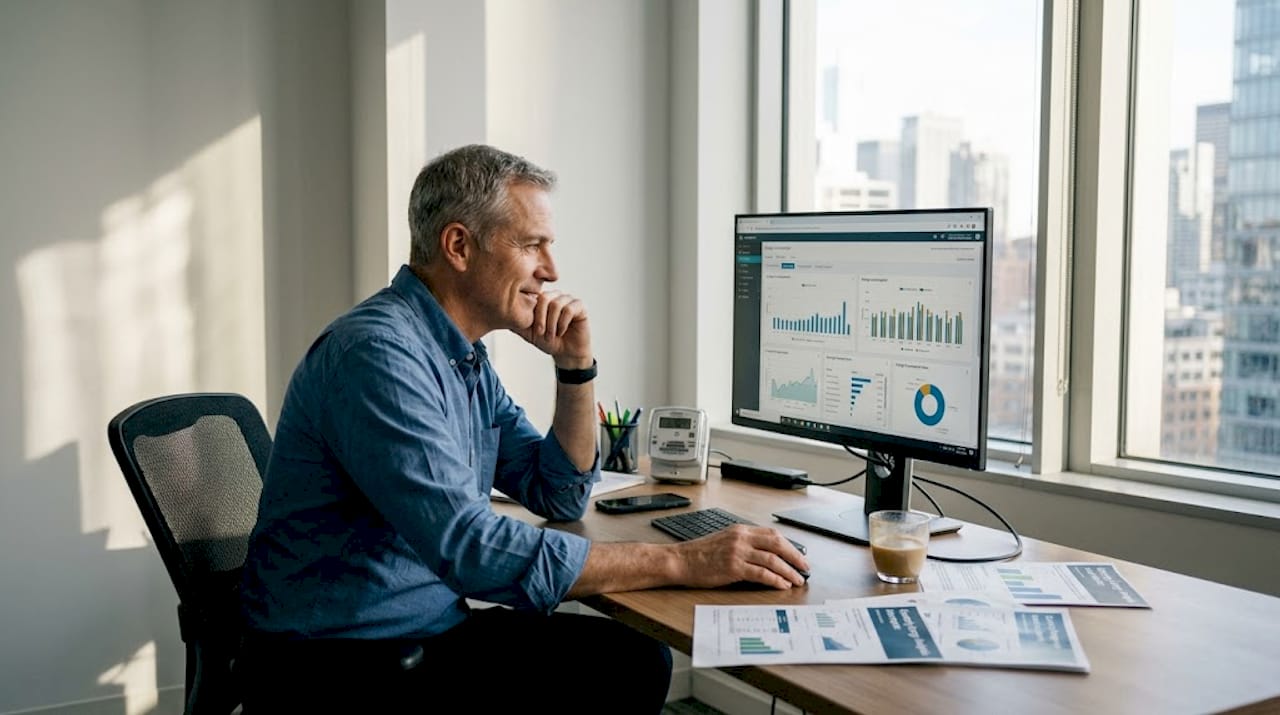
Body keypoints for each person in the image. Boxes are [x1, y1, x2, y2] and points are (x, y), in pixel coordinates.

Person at [236, 144, 810, 713]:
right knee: (624, 667)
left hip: (417, 628)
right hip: (336, 661)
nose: (551, 270)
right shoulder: (378, 356)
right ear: (459, 245)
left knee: (629, 658)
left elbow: (557, 492)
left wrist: (574, 368)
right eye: (532, 245)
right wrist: (683, 561)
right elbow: (471, 550)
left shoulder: (462, 358)